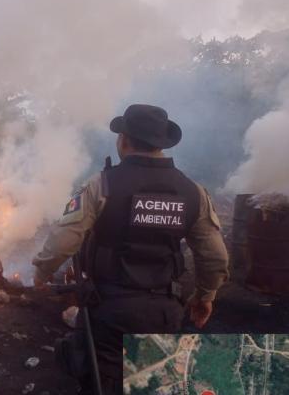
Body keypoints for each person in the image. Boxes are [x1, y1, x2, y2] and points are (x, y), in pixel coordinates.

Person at [32, 104, 229, 395]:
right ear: (161, 143)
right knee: (151, 380)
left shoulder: (102, 185)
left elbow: (64, 241)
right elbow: (215, 257)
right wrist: (205, 296)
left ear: (123, 140)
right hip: (165, 312)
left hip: (110, 311)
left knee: (106, 380)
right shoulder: (193, 192)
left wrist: (41, 271)